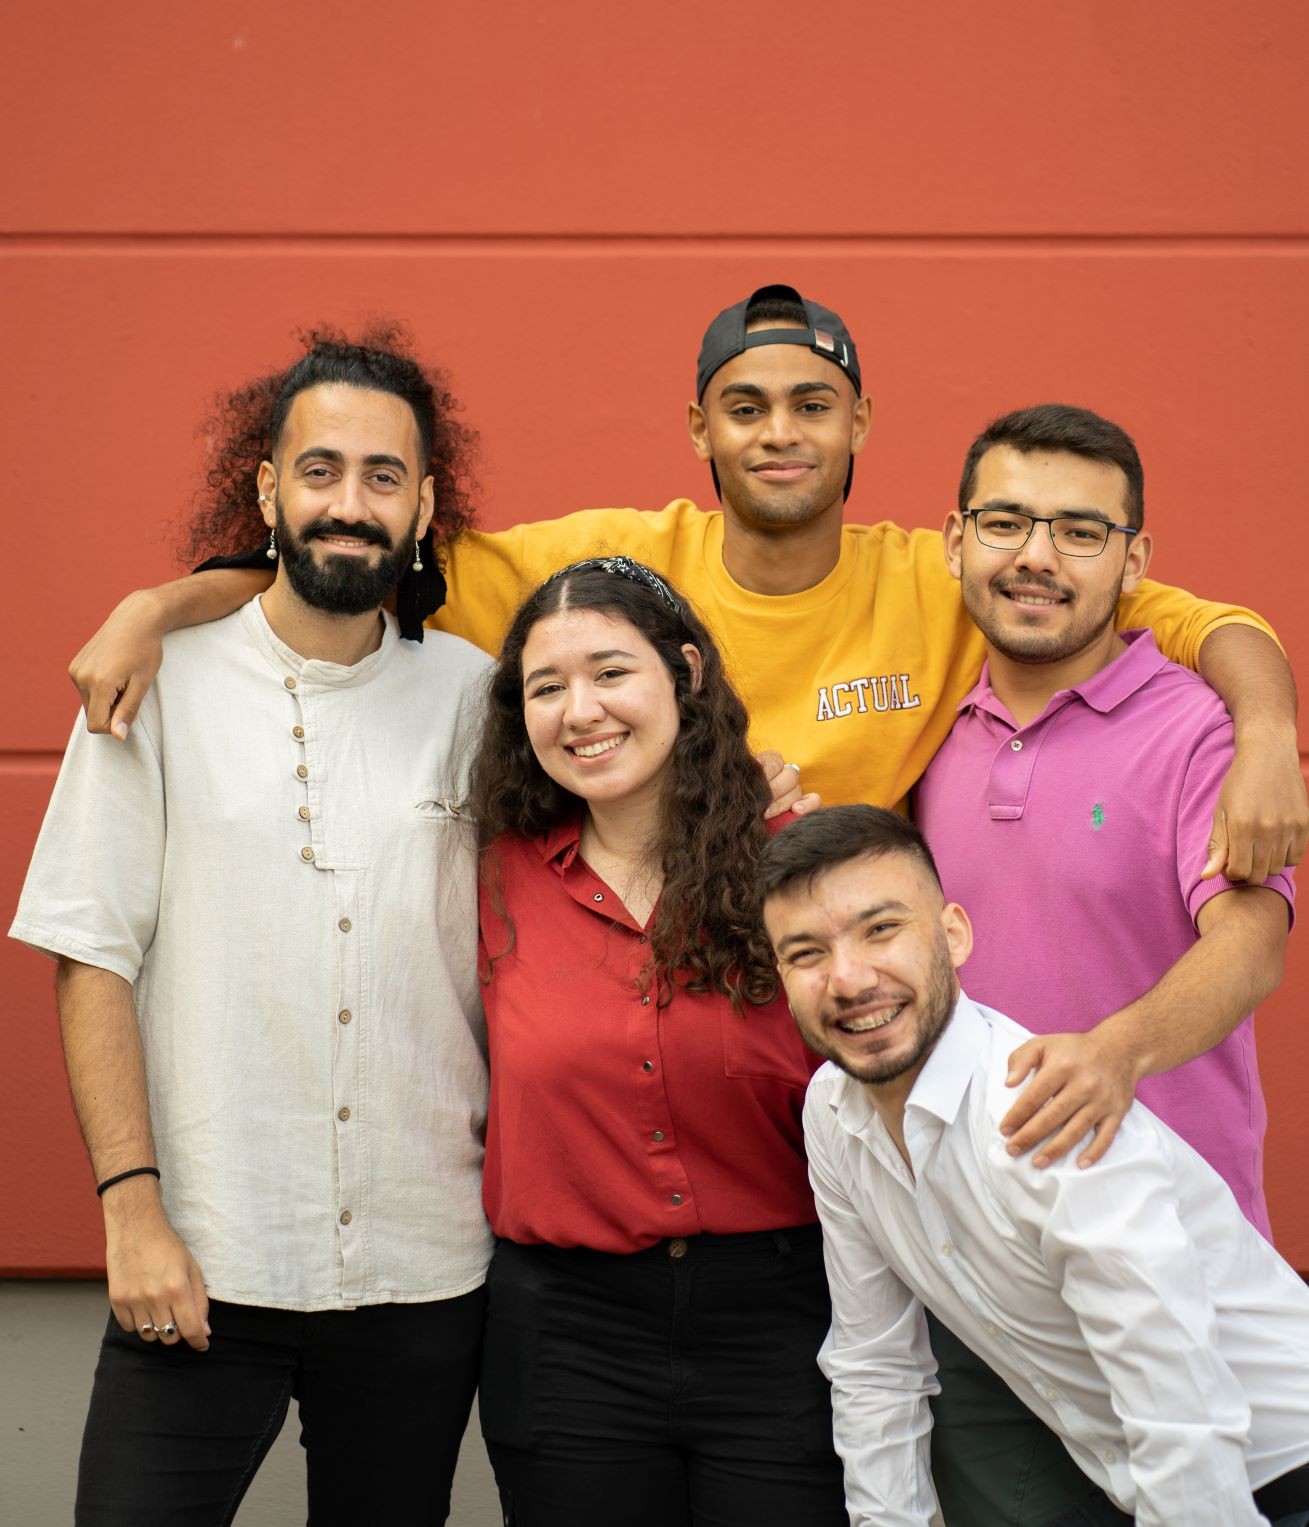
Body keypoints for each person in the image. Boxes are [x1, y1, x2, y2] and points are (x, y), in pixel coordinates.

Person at [68, 285, 1307, 883]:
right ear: (699, 430)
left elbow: (1206, 624)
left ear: (860, 422)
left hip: (848, 997)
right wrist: (155, 609)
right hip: (648, 988)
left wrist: (1264, 736)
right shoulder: (613, 564)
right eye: (745, 407)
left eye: (811, 405)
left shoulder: (944, 577)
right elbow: (361, 550)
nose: (780, 434)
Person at [9, 333, 496, 1525]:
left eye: (384, 477)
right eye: (319, 470)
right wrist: (131, 1213)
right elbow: (91, 954)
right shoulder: (155, 680)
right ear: (267, 490)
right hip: (203, 1253)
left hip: (423, 1265)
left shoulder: (479, 698)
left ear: (426, 505)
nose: (350, 503)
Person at [911, 403, 1297, 1523]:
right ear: (955, 541)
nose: (1036, 556)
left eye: (1080, 532)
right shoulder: (928, 731)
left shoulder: (1199, 730)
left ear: (1133, 562)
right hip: (987, 1298)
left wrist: (1115, 1053)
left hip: (1175, 1270)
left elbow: (1250, 943)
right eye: (1005, 522)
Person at [759, 805, 1309, 1527]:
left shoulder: (1040, 1109)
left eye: (881, 929)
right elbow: (876, 1364)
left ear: (953, 935)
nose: (848, 978)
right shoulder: (832, 1111)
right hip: (1134, 1482)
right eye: (806, 953)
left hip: (1270, 1471)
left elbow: (1178, 1400)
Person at [466, 556, 846, 1526]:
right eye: (545, 688)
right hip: (567, 1336)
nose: (579, 710)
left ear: (686, 672)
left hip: (783, 1323)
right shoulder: (488, 876)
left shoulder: (797, 869)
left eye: (610, 672)